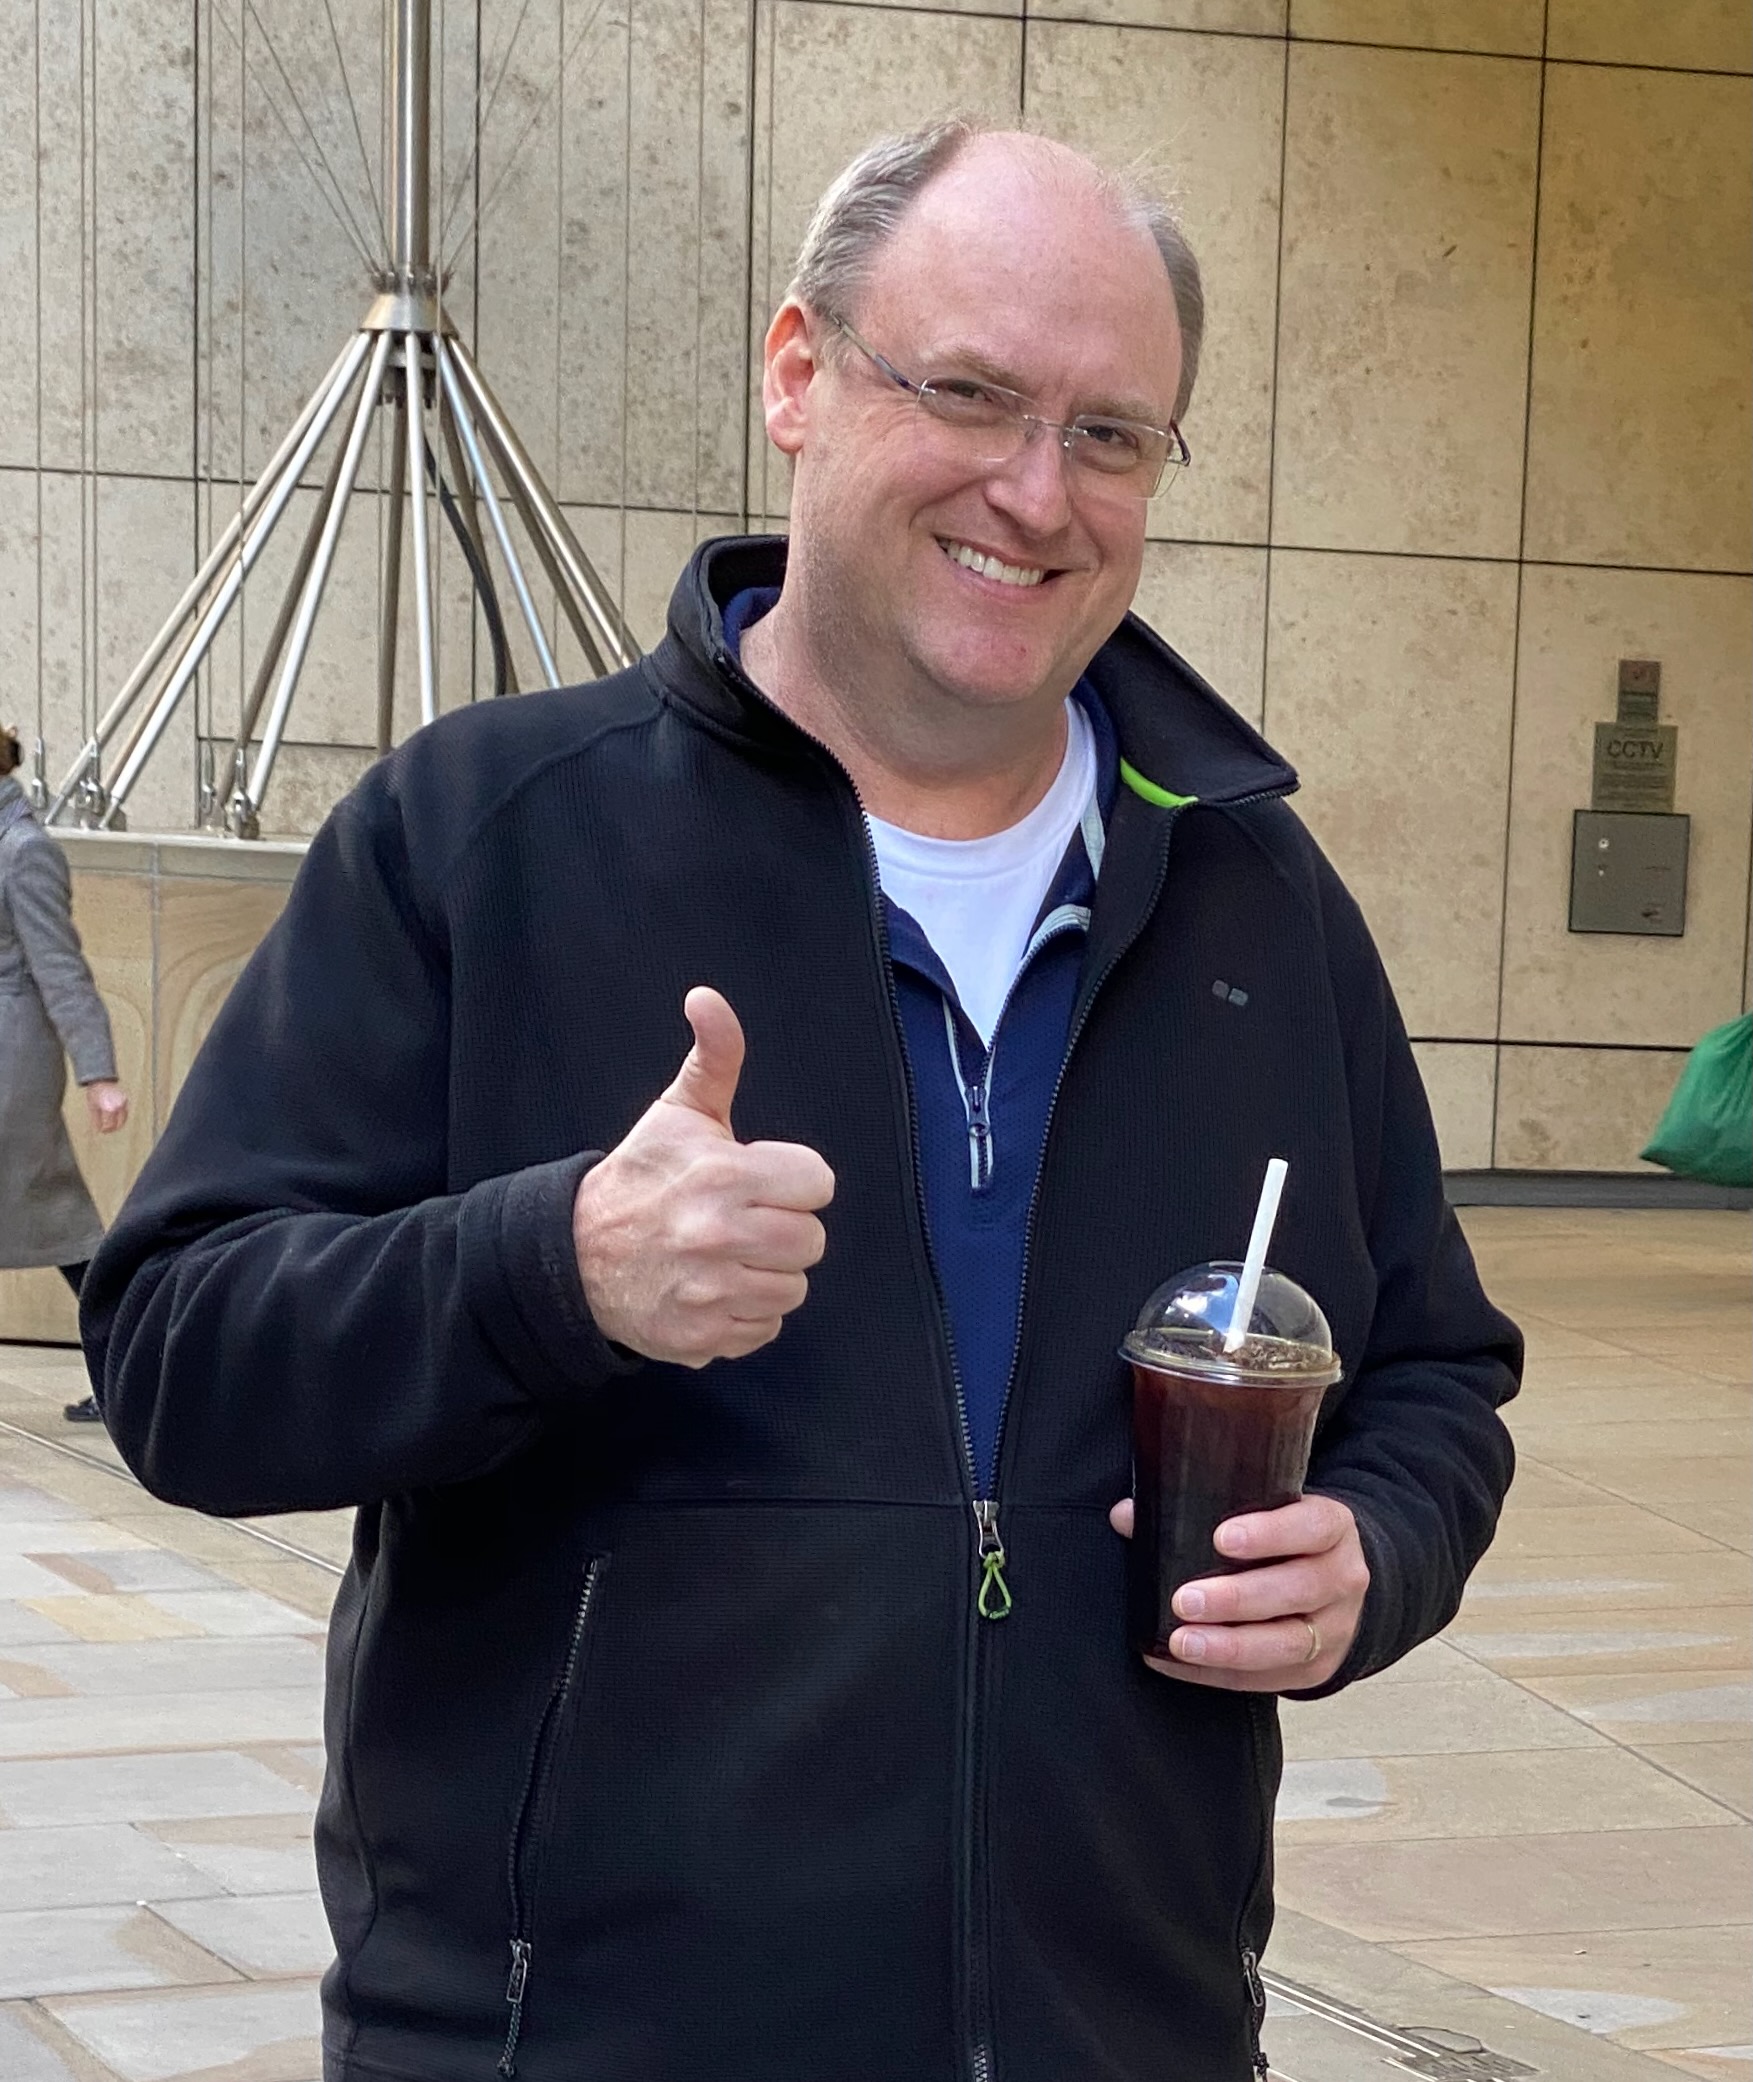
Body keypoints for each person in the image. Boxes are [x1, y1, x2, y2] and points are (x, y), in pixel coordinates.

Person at [83, 121, 1521, 2082]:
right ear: (796, 374)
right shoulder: (489, 835)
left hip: (1125, 2037)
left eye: (1110, 434)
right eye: (969, 394)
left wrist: (1373, 1547)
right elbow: (178, 1357)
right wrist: (546, 1270)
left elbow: (1432, 1370)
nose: (1036, 492)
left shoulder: (1254, 899)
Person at [0, 725, 129, 1422]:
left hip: (12, 1059)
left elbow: (61, 967)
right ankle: (134, 1368)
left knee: (60, 1219)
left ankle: (134, 1368)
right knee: (59, 1219)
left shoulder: (25, 850)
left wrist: (97, 1072)